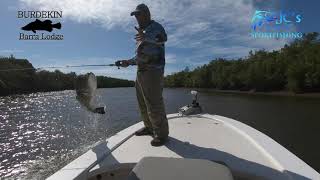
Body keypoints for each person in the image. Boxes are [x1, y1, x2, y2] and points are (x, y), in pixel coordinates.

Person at [116, 4, 169, 147]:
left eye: (139, 15)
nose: (137, 18)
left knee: (154, 103)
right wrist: (128, 62)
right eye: (135, 16)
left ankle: (162, 135)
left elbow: (163, 39)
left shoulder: (156, 27)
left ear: (147, 14)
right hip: (141, 71)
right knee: (142, 103)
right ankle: (149, 127)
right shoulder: (142, 32)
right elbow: (141, 55)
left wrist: (147, 37)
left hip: (153, 72)